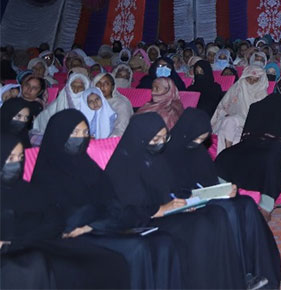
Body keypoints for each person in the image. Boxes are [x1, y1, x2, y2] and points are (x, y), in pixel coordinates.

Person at [30, 109, 183, 289]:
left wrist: (93, 222)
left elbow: (113, 204)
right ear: (59, 136)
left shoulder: (88, 167)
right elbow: (62, 221)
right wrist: (92, 220)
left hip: (99, 226)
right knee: (137, 248)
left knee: (162, 242)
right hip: (71, 237)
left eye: (85, 132)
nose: (81, 138)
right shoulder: (47, 174)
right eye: (75, 133)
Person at [106, 112, 248, 289]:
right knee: (200, 227)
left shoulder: (156, 159)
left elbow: (172, 188)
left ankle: (225, 283)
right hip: (144, 221)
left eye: (164, 138)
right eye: (155, 138)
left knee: (216, 216)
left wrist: (186, 200)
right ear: (140, 137)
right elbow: (121, 212)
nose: (160, 143)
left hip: (168, 213)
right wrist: (160, 209)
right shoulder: (122, 166)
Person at [165, 108, 281, 289]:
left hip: (201, 200)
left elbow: (208, 181)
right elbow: (163, 190)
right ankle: (236, 276)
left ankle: (256, 269)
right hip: (179, 207)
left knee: (245, 205)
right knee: (226, 212)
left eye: (201, 139)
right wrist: (184, 202)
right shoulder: (168, 154)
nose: (197, 143)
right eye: (195, 138)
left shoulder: (197, 153)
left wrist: (225, 189)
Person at [1, 133, 132, 289]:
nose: (17, 163)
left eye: (20, 158)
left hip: (43, 243)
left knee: (111, 260)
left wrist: (22, 237)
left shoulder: (28, 189)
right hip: (21, 255)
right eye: (10, 159)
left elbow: (55, 221)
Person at [216, 68, 281, 218]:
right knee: (227, 156)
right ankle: (220, 196)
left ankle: (266, 206)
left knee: (271, 158)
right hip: (257, 140)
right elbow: (256, 108)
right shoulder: (272, 98)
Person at [211, 65, 269, 153]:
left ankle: (226, 156)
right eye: (249, 79)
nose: (251, 83)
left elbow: (263, 116)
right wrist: (224, 113)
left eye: (255, 80)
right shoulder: (237, 87)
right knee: (228, 122)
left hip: (250, 125)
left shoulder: (262, 94)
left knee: (235, 138)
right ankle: (227, 154)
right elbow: (223, 105)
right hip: (233, 119)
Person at [31, 71, 91, 139]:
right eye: (73, 86)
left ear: (85, 88)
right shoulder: (58, 102)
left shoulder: (90, 103)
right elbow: (42, 119)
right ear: (68, 87)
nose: (76, 89)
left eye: (80, 87)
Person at [92, 70, 132, 136]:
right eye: (98, 84)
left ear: (112, 87)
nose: (102, 87)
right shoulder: (90, 102)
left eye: (106, 84)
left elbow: (120, 130)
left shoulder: (121, 104)